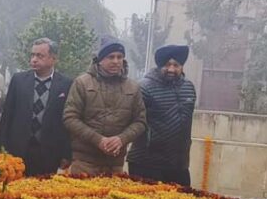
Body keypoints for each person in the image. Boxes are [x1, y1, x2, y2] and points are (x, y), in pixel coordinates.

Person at [63, 36, 146, 176]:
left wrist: (122, 139)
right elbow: (69, 118)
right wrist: (98, 140)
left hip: (115, 165)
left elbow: (140, 122)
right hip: (84, 163)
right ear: (100, 60)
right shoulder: (82, 83)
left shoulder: (133, 87)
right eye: (111, 57)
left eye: (120, 57)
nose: (116, 61)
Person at [0, 38, 71, 176]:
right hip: (17, 150)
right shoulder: (18, 80)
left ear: (53, 59)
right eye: (32, 55)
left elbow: (66, 122)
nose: (34, 59)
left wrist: (66, 154)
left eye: (40, 56)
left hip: (49, 153)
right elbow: (7, 116)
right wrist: (2, 148)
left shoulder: (66, 84)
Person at [127, 45, 196, 186]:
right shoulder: (144, 87)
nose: (171, 69)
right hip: (146, 163)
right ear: (159, 66)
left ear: (181, 67)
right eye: (167, 65)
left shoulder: (189, 87)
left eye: (176, 65)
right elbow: (132, 120)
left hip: (178, 163)